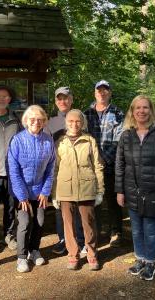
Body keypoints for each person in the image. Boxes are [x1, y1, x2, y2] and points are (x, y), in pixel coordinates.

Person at [115, 95, 155, 281]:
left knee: (150, 229)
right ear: (132, 112)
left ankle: (150, 262)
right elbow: (120, 163)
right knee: (136, 229)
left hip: (153, 190)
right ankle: (140, 259)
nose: (141, 111)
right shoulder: (126, 135)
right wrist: (120, 190)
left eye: (145, 107)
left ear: (151, 110)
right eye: (137, 108)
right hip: (132, 189)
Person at [52, 109, 104, 271]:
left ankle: (91, 254)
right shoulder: (60, 141)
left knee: (88, 224)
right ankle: (73, 255)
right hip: (65, 189)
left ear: (83, 123)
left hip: (86, 188)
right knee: (68, 225)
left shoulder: (89, 140)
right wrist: (54, 194)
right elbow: (54, 168)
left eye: (78, 121)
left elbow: (98, 166)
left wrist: (100, 190)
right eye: (71, 121)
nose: (74, 124)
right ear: (66, 122)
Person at [7, 105, 56, 273]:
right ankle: (21, 257)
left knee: (40, 221)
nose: (36, 122)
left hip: (40, 191)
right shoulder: (18, 140)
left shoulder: (48, 140)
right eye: (32, 119)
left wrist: (45, 191)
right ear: (26, 121)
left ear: (44, 122)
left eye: (40, 119)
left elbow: (51, 168)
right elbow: (13, 171)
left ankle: (34, 250)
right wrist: (22, 196)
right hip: (22, 192)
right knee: (25, 222)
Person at [45, 87, 85, 255]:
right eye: (59, 99)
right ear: (56, 101)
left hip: (78, 171)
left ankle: (81, 239)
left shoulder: (80, 117)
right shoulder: (50, 122)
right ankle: (63, 239)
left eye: (66, 98)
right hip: (59, 171)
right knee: (61, 207)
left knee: (78, 206)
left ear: (71, 99)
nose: (63, 101)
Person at [84, 80, 124, 247]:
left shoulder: (118, 113)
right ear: (95, 93)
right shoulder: (86, 113)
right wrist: (92, 160)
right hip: (90, 165)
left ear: (110, 93)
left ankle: (116, 231)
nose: (102, 93)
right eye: (99, 90)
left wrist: (103, 159)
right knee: (94, 200)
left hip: (110, 164)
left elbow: (119, 140)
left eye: (105, 90)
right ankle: (97, 231)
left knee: (112, 200)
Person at [0, 85, 21, 254]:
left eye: (5, 96)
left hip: (12, 172)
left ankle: (9, 235)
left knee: (10, 207)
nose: (1, 99)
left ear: (9, 99)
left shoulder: (16, 119)